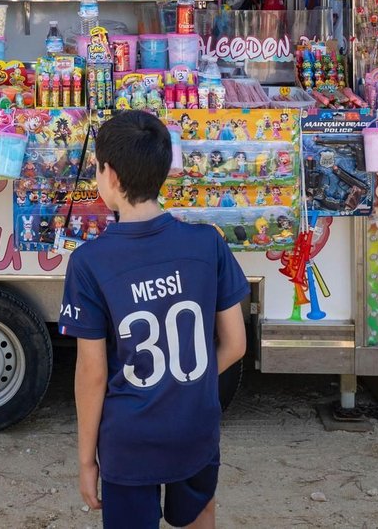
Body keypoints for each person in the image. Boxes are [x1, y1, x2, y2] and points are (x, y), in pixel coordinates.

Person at [62, 111, 249, 529]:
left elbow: (91, 374)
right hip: (195, 424)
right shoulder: (207, 244)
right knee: (200, 515)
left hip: (130, 436)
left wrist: (85, 460)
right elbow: (235, 345)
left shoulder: (89, 262)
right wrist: (185, 383)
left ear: (108, 174)